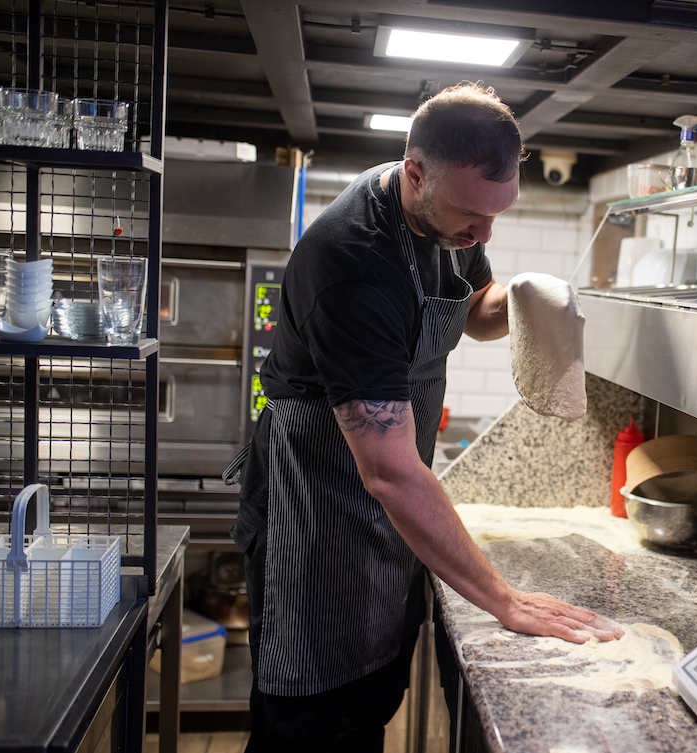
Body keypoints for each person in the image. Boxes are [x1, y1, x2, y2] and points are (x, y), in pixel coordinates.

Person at [225, 82, 621, 752]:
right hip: (315, 510)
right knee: (305, 719)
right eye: (472, 216)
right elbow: (390, 471)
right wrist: (504, 598)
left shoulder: (450, 215)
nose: (482, 232)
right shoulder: (350, 264)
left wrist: (522, 300)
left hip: (384, 516)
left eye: (498, 215)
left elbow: (470, 307)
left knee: (367, 707)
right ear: (414, 172)